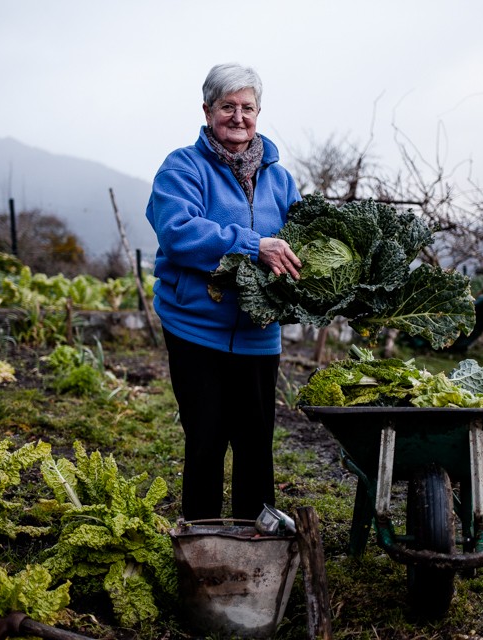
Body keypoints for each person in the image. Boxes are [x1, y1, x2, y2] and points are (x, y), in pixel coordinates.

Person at [145, 63, 302, 522]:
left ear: (259, 113)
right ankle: (202, 538)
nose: (238, 117)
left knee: (256, 443)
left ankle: (256, 543)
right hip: (196, 328)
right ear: (207, 110)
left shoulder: (280, 177)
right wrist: (255, 245)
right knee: (207, 439)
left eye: (247, 107)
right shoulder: (183, 167)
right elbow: (178, 232)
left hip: (258, 332)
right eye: (227, 106)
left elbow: (302, 238)